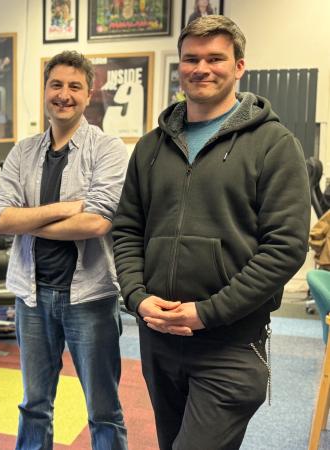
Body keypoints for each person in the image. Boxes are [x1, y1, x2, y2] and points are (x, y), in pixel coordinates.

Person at [112, 16, 310, 449]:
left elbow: (285, 248)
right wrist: (137, 296)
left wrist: (207, 312)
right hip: (158, 340)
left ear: (239, 66)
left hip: (230, 346)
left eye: (215, 58)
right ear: (179, 66)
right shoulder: (149, 148)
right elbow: (126, 229)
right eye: (191, 59)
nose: (201, 68)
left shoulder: (274, 145)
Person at [0, 50, 128, 450]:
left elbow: (97, 221)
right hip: (32, 296)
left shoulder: (108, 149)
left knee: (103, 410)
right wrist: (64, 209)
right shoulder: (23, 151)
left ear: (88, 94)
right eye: (56, 85)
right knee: (34, 404)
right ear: (45, 90)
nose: (63, 94)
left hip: (90, 297)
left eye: (74, 86)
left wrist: (28, 218)